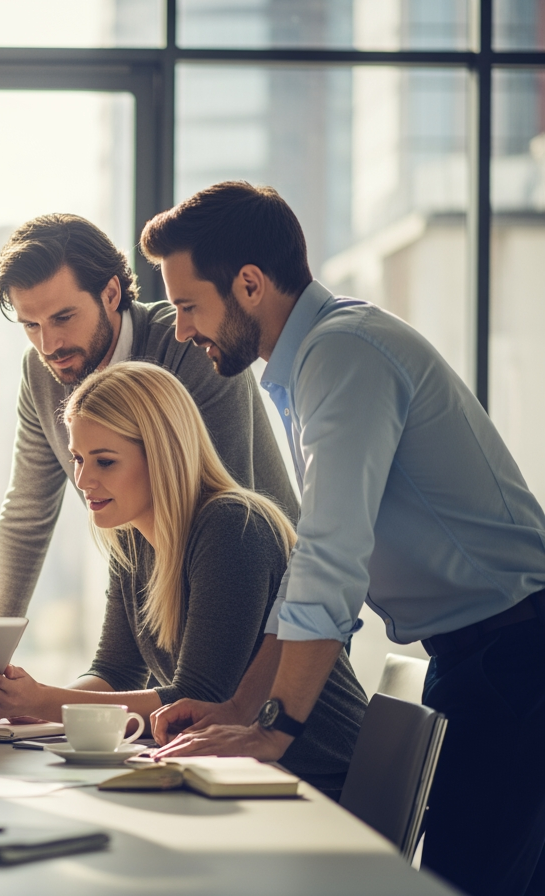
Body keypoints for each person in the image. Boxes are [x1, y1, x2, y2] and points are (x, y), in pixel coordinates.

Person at [141, 181, 545, 896]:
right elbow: (311, 567)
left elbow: (332, 557)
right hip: (486, 656)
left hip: (515, 658)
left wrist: (276, 726)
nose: (180, 331)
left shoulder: (343, 355)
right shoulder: (313, 366)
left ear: (250, 284)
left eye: (187, 305)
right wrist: (241, 709)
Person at [0, 362, 366, 794]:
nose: (83, 479)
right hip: (237, 777)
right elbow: (114, 671)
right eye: (77, 458)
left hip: (319, 782)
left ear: (162, 455)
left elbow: (199, 699)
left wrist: (43, 700)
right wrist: (28, 710)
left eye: (105, 461)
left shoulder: (232, 526)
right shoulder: (131, 539)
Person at [0, 214, 298, 627]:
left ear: (111, 293)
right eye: (31, 325)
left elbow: (223, 514)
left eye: (63, 318)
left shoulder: (192, 344)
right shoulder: (40, 373)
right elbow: (26, 517)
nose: (49, 345)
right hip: (154, 602)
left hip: (273, 606)